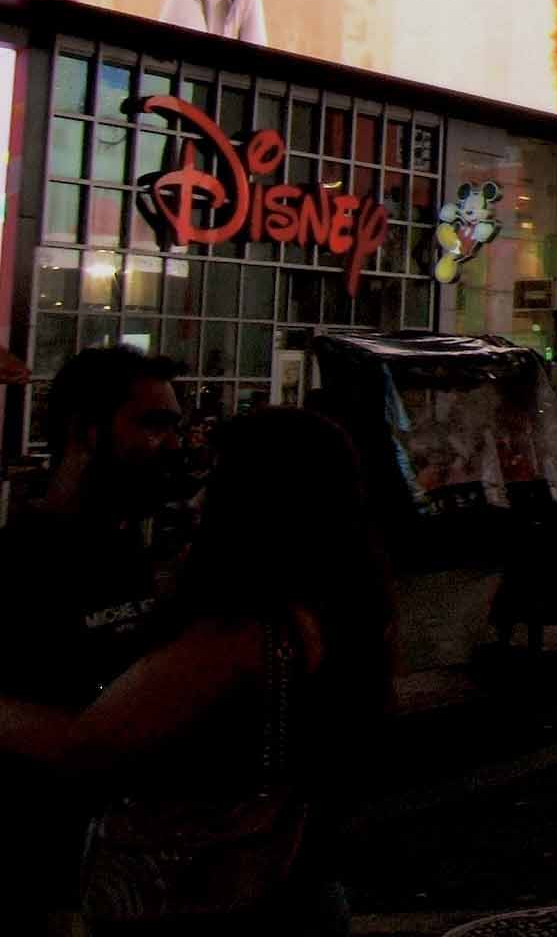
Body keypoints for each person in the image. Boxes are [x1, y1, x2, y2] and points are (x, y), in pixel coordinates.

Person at [0, 404, 393, 933]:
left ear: (252, 499)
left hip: (213, 896)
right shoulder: (349, 603)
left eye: (216, 477)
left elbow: (87, 743)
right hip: (300, 881)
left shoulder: (239, 633)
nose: (198, 496)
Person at [0, 350, 187, 923]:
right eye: (153, 424)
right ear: (86, 430)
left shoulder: (131, 557)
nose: (173, 444)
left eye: (174, 426)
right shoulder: (19, 566)